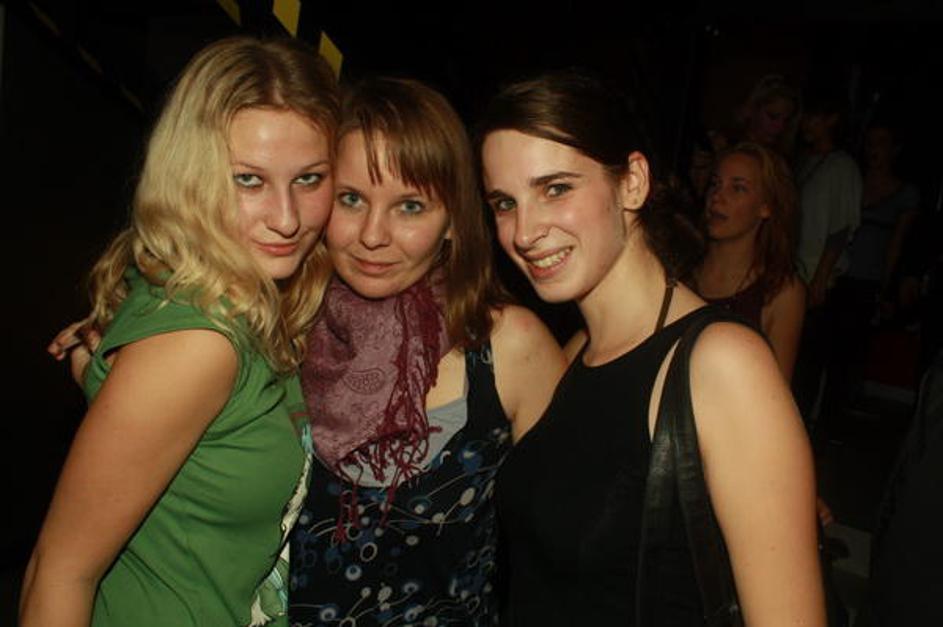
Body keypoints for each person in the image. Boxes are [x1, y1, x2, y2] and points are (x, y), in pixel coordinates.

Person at [479, 71, 824, 625]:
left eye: (556, 188)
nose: (523, 231)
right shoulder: (576, 351)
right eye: (504, 202)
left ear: (633, 183)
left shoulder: (722, 364)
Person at [20, 36, 339, 627]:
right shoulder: (200, 345)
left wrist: (101, 377)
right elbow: (58, 575)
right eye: (248, 180)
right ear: (190, 176)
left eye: (309, 179)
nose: (287, 218)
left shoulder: (242, 304)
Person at [288, 78, 565, 626]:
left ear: (454, 220)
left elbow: (574, 548)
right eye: (351, 199)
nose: (373, 235)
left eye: (410, 206)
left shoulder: (508, 347)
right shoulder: (283, 326)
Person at [690, 142, 805, 381]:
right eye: (715, 184)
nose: (717, 197)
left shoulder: (779, 291)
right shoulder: (680, 267)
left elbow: (775, 392)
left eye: (738, 188)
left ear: (766, 206)